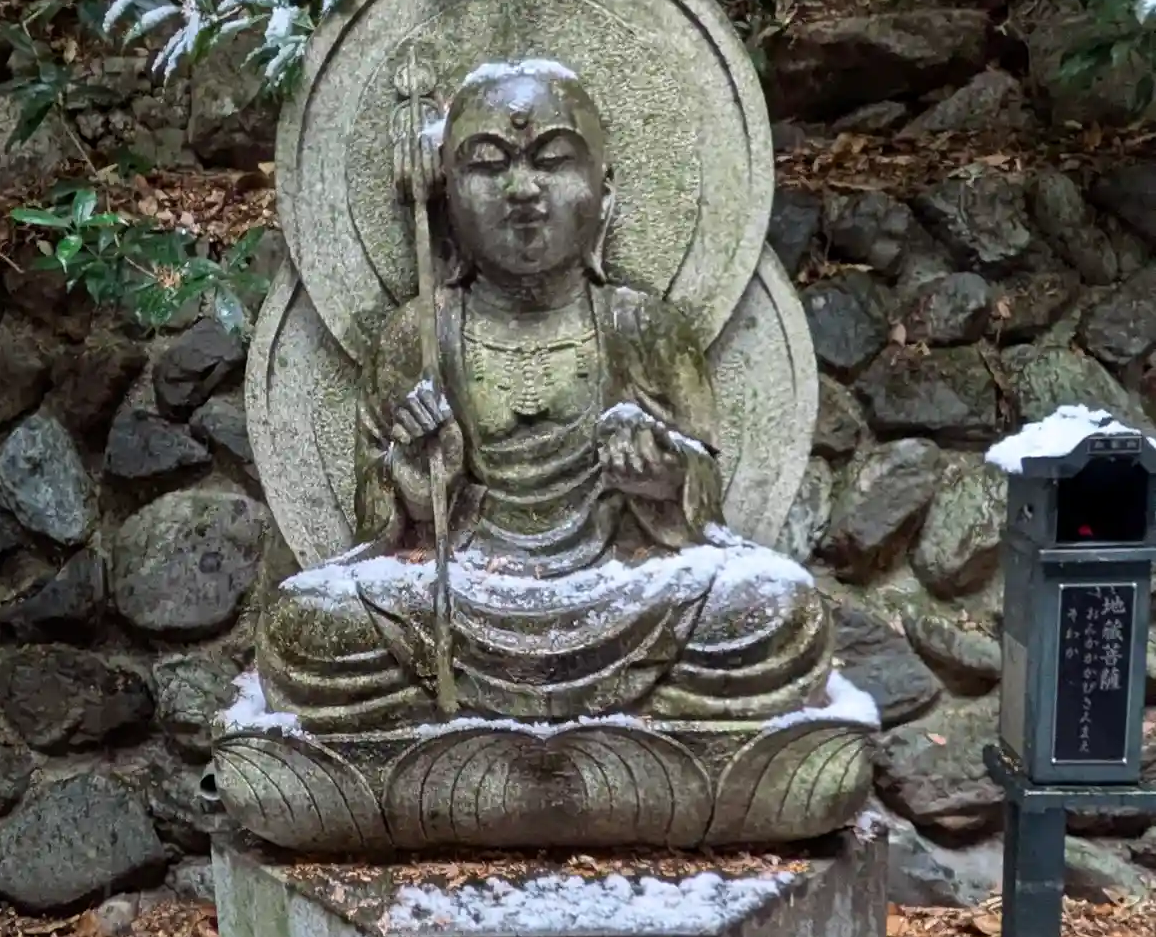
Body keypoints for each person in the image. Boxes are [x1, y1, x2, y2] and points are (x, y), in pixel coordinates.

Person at [257, 58, 832, 729]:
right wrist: (416, 479)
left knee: (776, 607)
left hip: (621, 591)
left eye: (553, 161)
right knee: (307, 624)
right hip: (460, 595)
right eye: (487, 164)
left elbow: (704, 504)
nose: (523, 189)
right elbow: (380, 530)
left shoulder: (642, 327)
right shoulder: (418, 336)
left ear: (604, 190)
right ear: (445, 195)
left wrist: (664, 475)